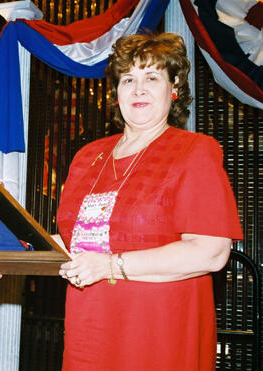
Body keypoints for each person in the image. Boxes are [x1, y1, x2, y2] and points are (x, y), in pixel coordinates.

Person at [55, 32, 242, 370]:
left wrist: (110, 265)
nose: (138, 88)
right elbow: (73, 243)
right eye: (128, 79)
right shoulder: (87, 157)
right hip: (89, 330)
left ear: (174, 89)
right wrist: (6, 255)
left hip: (158, 335)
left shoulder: (194, 151)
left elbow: (211, 252)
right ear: (116, 94)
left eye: (152, 77)